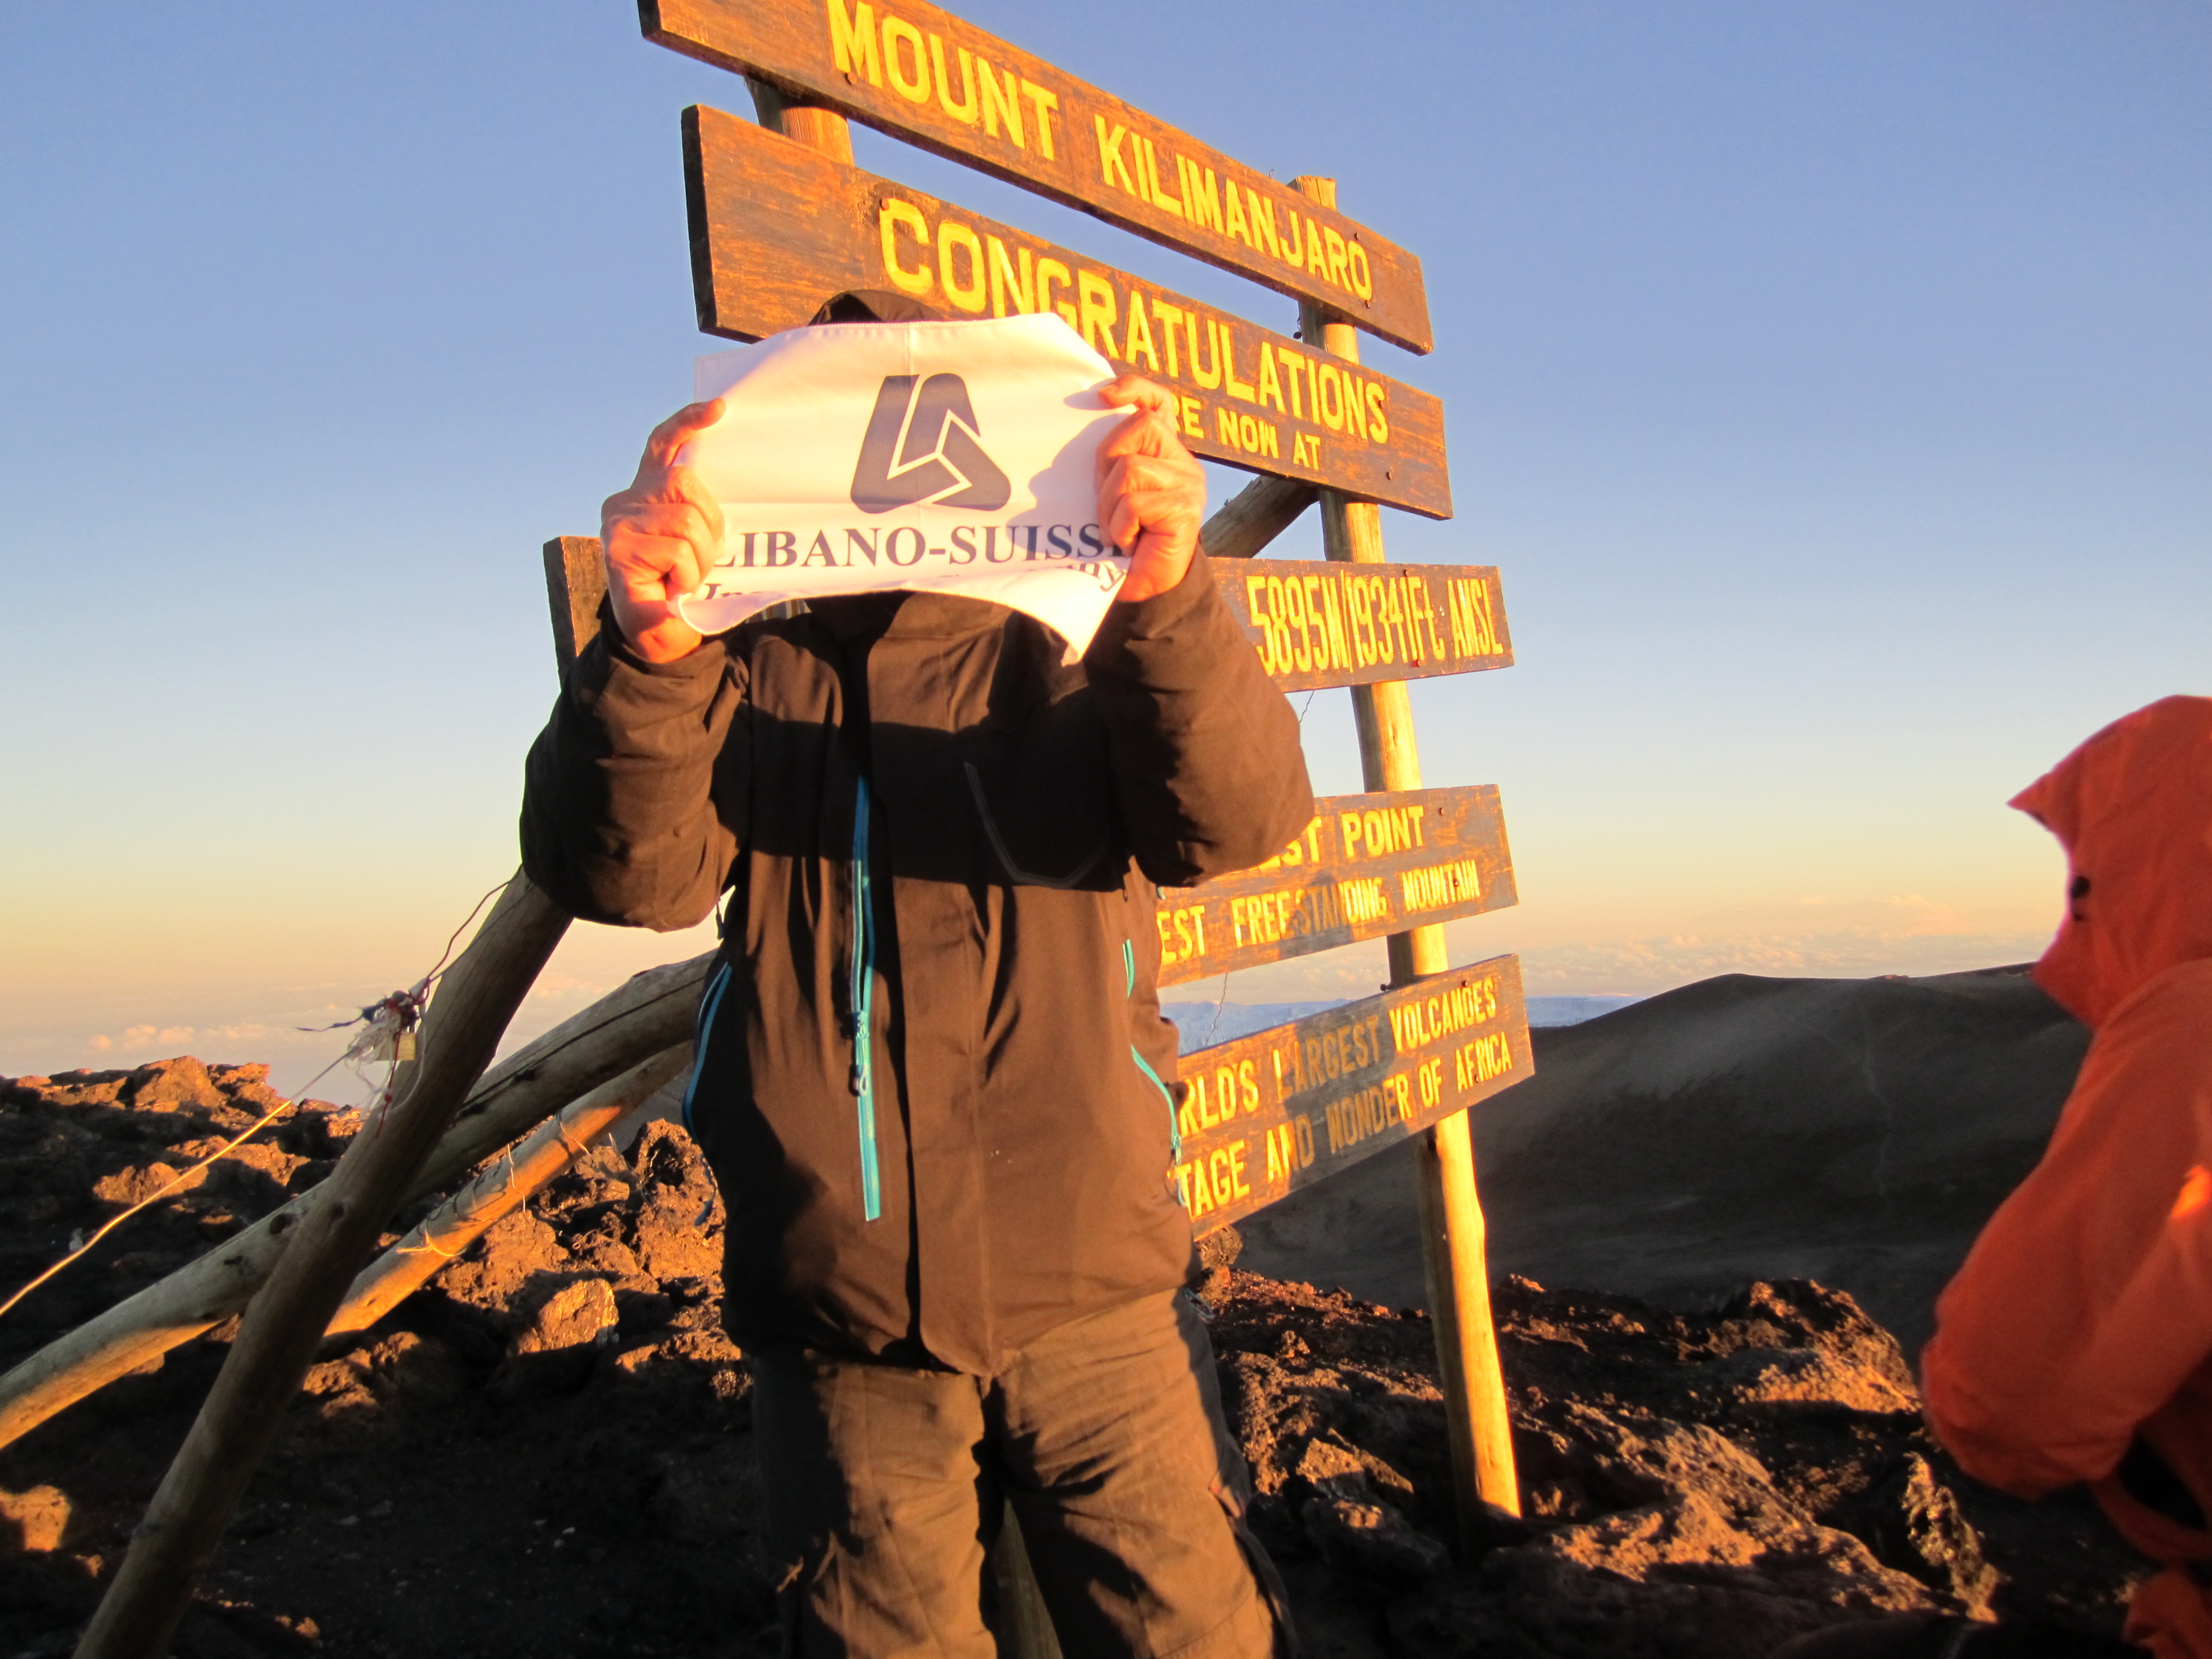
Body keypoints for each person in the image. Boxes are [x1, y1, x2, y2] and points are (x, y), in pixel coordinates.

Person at [519, 291, 1312, 1659]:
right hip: (844, 1305)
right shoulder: (737, 652)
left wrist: (1170, 591)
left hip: (1101, 1286)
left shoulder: (1075, 632)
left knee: (1192, 1633)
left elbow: (1233, 824)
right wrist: (646, 649)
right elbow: (624, 881)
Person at [1772, 695, 2212, 1659]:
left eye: (2090, 870)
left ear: (2154, 858)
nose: (2078, 907)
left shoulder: (2196, 1029)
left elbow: (2011, 1409)